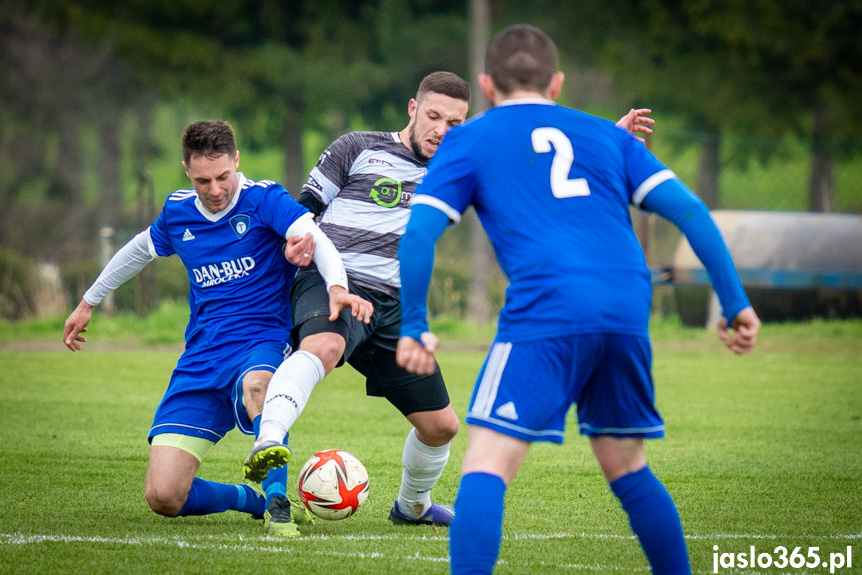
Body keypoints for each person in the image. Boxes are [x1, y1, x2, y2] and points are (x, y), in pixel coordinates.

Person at [396, 24, 760, 575]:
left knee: (487, 464)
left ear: (487, 85)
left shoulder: (468, 139)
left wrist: (415, 325)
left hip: (548, 306)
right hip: (626, 308)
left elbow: (420, 234)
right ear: (558, 83)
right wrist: (735, 303)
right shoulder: (606, 136)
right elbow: (691, 213)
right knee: (626, 464)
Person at [243, 71, 655, 527]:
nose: (442, 129)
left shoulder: (464, 166)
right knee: (325, 346)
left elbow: (543, 172)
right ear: (412, 109)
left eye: (454, 123)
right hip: (334, 283)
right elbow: (303, 214)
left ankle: (412, 507)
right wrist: (296, 245)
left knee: (441, 427)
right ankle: (269, 439)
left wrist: (610, 141)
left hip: (395, 305)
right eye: (434, 116)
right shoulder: (356, 147)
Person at [62, 120, 372, 538]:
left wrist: (336, 287)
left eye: (223, 176)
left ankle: (278, 500)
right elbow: (138, 250)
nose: (215, 189)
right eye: (203, 179)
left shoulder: (265, 199)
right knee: (164, 495)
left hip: (262, 340)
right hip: (201, 357)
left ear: (237, 161)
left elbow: (315, 238)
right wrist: (88, 302)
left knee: (259, 385)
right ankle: (254, 500)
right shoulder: (177, 212)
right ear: (187, 170)